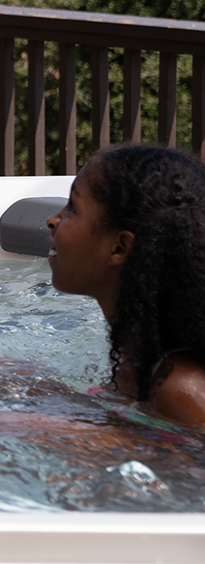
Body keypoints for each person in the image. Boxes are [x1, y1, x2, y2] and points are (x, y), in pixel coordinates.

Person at [44, 144, 205, 428]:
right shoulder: (139, 356)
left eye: (73, 208)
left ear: (119, 247)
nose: (53, 220)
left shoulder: (182, 389)